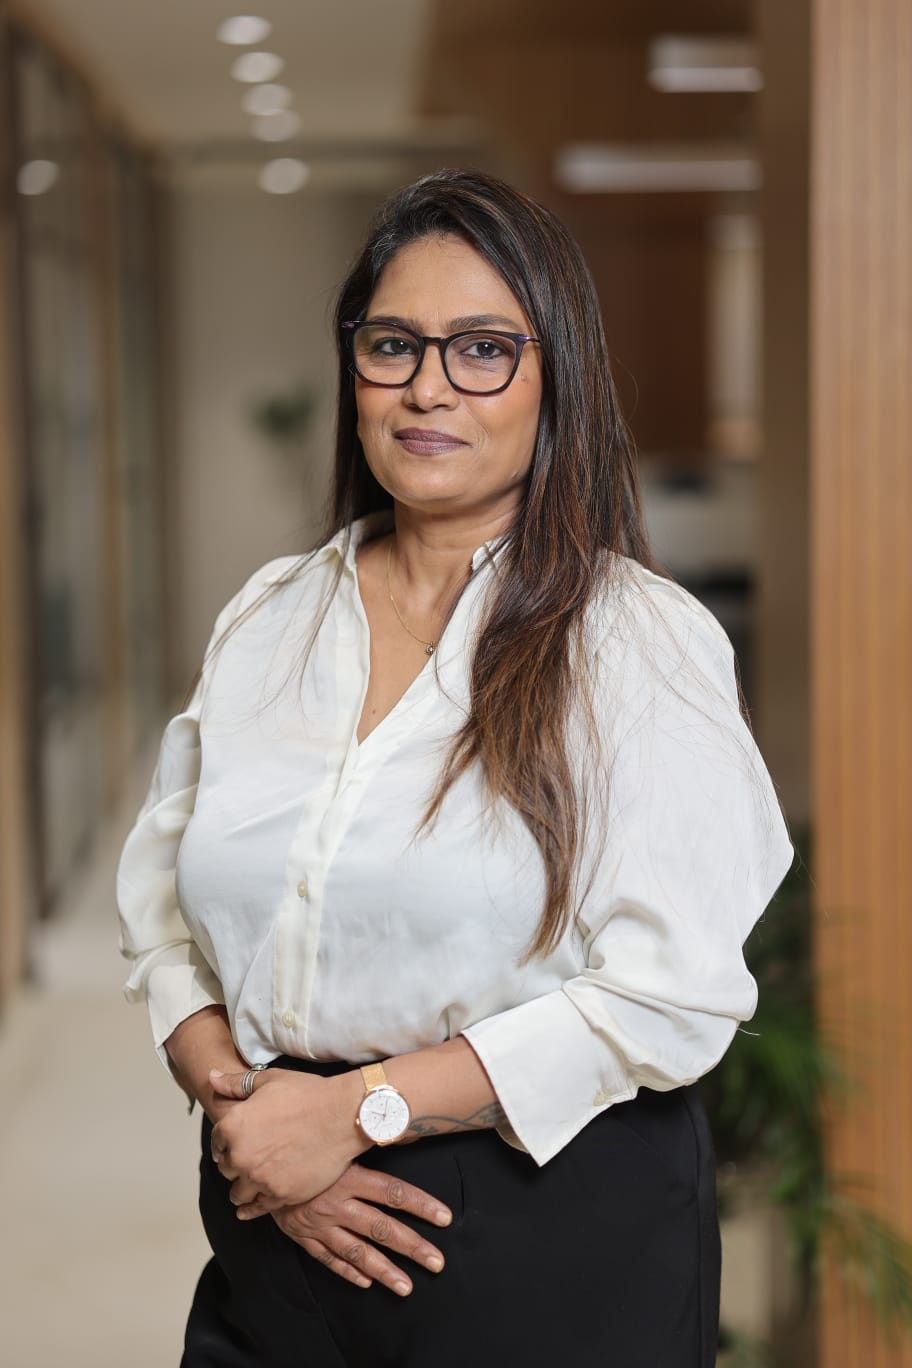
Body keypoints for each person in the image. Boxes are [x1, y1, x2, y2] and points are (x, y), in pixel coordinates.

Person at [117, 168, 793, 1368]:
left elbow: (671, 991)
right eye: (394, 344)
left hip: (541, 1235)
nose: (429, 385)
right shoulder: (272, 617)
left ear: (556, 381)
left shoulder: (629, 640)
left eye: (483, 348)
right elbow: (167, 914)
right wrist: (253, 1117)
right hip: (276, 1209)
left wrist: (355, 1112)